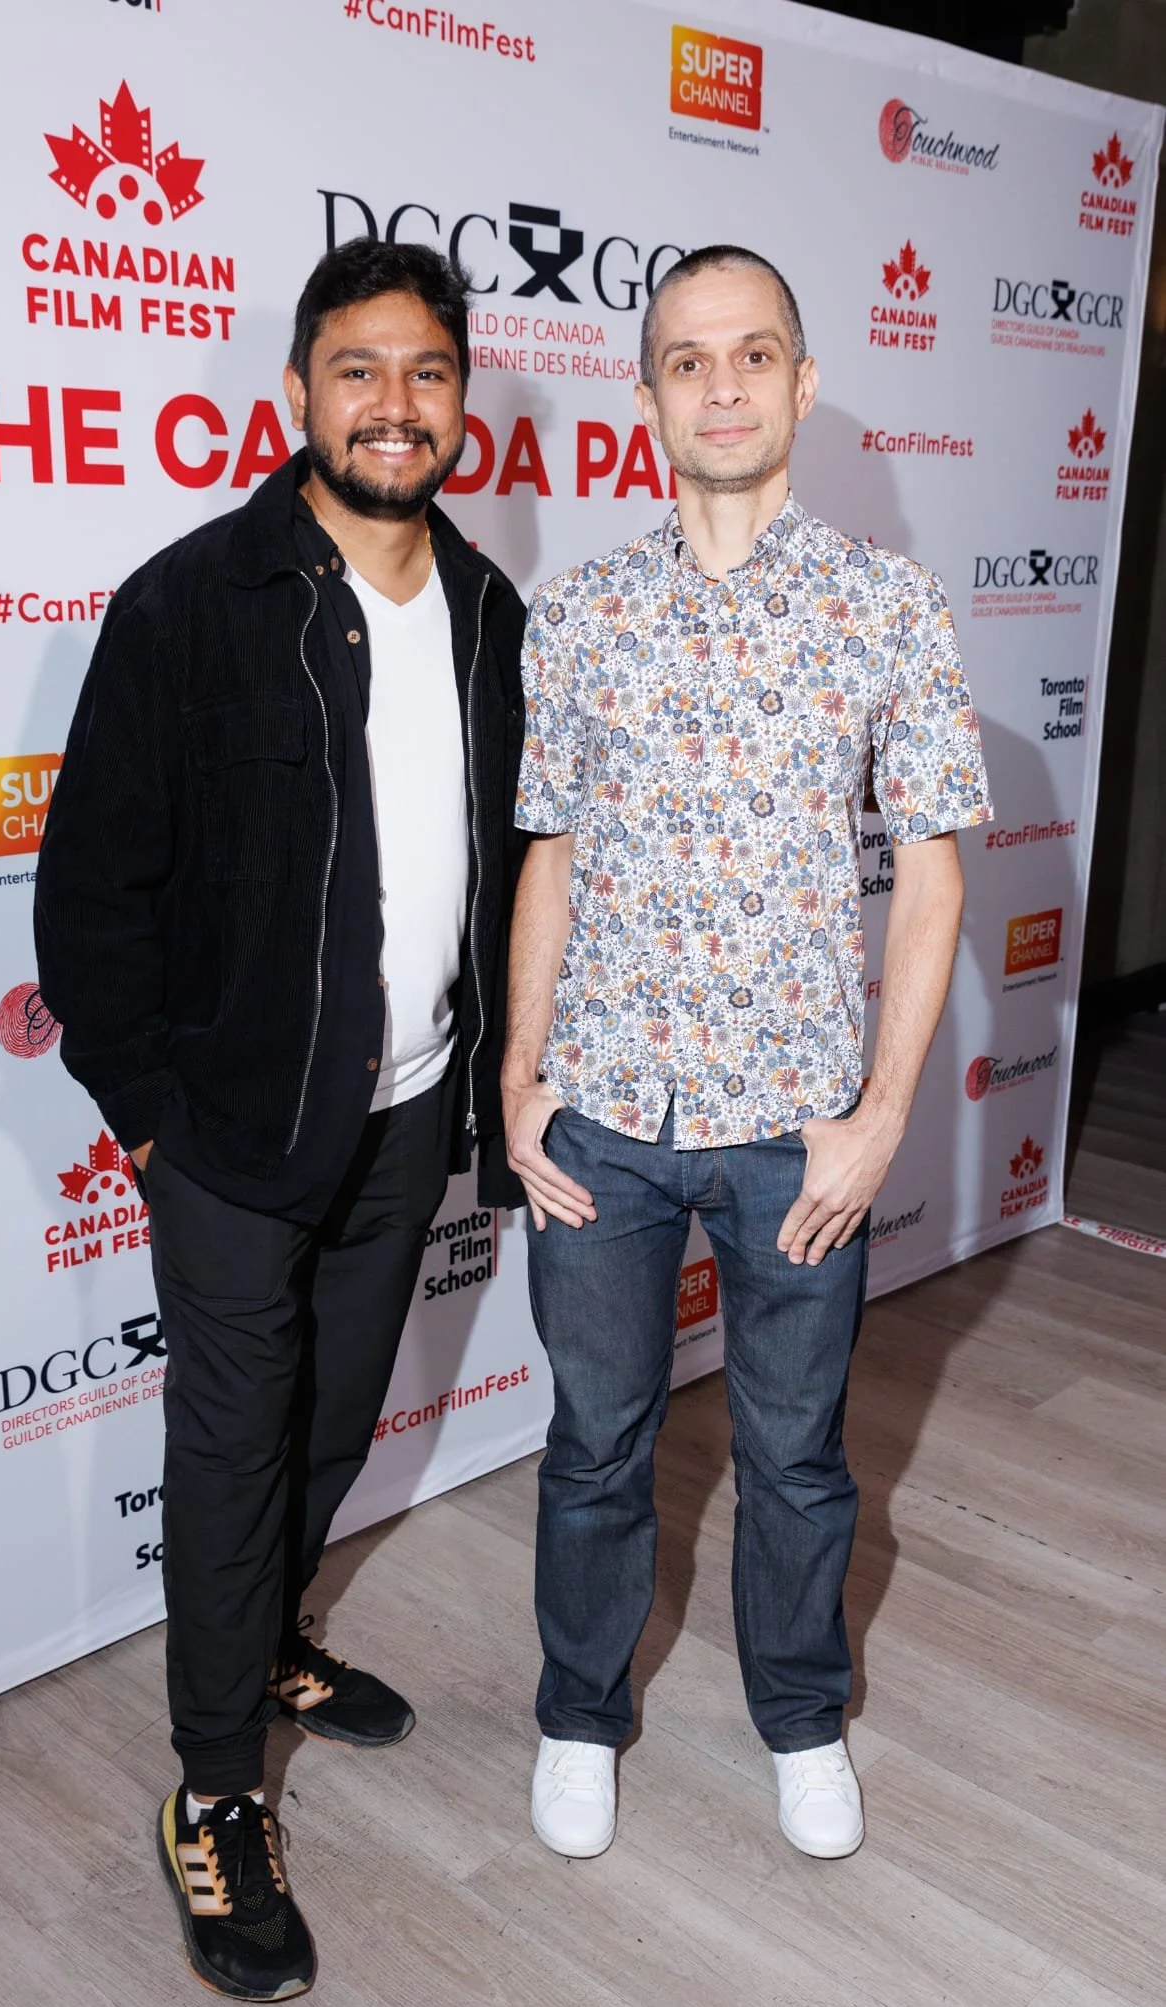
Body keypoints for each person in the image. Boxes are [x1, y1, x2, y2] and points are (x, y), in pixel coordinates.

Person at [35, 238, 525, 2001]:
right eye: (358, 369)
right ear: (299, 393)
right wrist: (147, 1118)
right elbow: (91, 892)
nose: (396, 404)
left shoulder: (491, 612)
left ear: (461, 403)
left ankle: (266, 1648)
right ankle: (218, 1790)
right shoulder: (192, 603)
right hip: (232, 1134)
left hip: (410, 1112)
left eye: (427, 372)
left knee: (328, 1422)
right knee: (236, 1447)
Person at [503, 245, 991, 1864]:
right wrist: (520, 1077)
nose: (723, 385)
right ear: (646, 396)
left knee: (795, 1458)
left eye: (754, 354)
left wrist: (883, 1116)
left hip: (799, 1133)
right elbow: (553, 852)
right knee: (595, 1448)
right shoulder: (579, 614)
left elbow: (933, 872)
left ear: (802, 382)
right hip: (604, 1126)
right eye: (689, 360)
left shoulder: (886, 606)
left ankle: (799, 1716)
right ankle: (581, 1716)